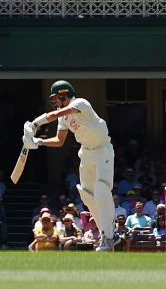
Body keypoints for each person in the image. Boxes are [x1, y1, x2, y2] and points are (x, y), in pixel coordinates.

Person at [29, 79, 116, 251]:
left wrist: (34, 124)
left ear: (64, 95)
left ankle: (110, 238)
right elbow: (59, 141)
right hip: (86, 152)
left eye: (56, 98)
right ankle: (107, 234)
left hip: (102, 150)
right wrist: (39, 142)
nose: (55, 103)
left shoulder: (80, 103)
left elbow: (55, 115)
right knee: (86, 195)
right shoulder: (64, 116)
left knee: (101, 189)